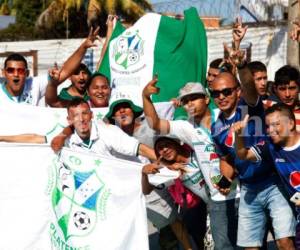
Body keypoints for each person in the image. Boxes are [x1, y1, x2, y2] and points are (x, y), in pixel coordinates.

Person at [142, 78, 240, 250]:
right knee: (224, 246)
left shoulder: (223, 116)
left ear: (207, 99)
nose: (189, 104)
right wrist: (145, 97)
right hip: (218, 199)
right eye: (185, 101)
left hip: (244, 192)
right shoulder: (186, 127)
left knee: (253, 244)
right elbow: (155, 124)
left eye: (194, 98)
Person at [210, 71, 296, 249]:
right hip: (248, 189)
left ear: (238, 91)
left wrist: (241, 65)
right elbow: (226, 158)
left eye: (227, 91)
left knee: (285, 242)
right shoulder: (216, 127)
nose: (221, 97)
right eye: (215, 93)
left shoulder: (249, 107)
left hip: (273, 184)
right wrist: (225, 179)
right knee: (250, 247)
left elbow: (250, 87)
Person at [104, 98, 193, 250]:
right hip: (130, 187)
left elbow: (164, 131)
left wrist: (170, 164)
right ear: (113, 117)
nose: (122, 111)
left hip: (161, 183)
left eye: (126, 108)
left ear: (134, 111)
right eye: (117, 111)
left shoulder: (150, 127)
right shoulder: (111, 135)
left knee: (172, 220)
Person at [232, 103, 300, 248]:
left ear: (291, 124)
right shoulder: (270, 146)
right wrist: (238, 136)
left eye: (276, 124)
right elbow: (243, 154)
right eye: (268, 126)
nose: (270, 130)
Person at [0, 28, 100, 106]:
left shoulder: (34, 85)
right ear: (4, 73)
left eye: (20, 71)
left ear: (27, 74)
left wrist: (83, 47)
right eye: (10, 70)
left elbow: (65, 71)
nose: (16, 74)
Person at [46, 71, 111, 108]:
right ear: (88, 92)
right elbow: (53, 102)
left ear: (110, 90)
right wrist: (52, 84)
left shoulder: (117, 109)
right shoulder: (80, 107)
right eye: (95, 88)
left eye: (104, 88)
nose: (100, 91)